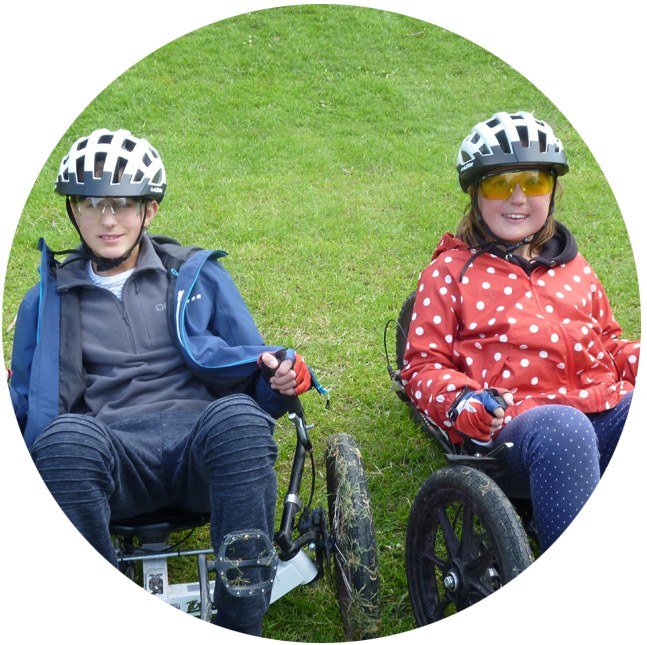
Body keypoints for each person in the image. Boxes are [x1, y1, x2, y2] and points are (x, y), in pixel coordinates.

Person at [8, 129, 325, 644]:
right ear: (73, 211)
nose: (107, 219)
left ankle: (241, 629)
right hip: (112, 457)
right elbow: (29, 401)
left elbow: (255, 368)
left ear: (148, 211)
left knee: (240, 420)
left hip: (201, 446)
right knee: (63, 440)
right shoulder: (45, 301)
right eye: (90, 203)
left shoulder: (197, 277)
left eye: (122, 204)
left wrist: (281, 379)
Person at [400, 111, 646, 557]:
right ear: (476, 192)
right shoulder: (449, 273)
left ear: (552, 190)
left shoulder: (574, 266)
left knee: (635, 412)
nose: (517, 197)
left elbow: (606, 340)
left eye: (532, 181)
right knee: (565, 428)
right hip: (516, 428)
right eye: (499, 184)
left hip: (596, 404)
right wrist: (462, 402)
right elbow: (422, 365)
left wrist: (638, 361)